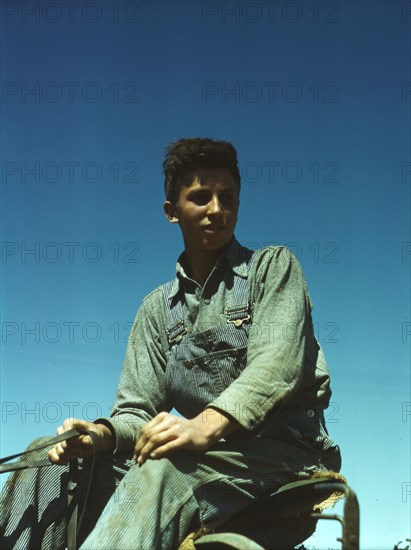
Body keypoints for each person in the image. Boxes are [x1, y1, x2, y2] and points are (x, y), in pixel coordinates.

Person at [0, 138, 341, 549]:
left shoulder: (273, 269)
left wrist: (204, 425)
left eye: (227, 198)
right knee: (46, 458)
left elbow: (276, 367)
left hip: (285, 458)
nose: (217, 210)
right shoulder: (157, 311)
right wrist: (99, 434)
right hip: (205, 460)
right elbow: (136, 410)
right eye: (200, 197)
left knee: (163, 469)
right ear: (171, 212)